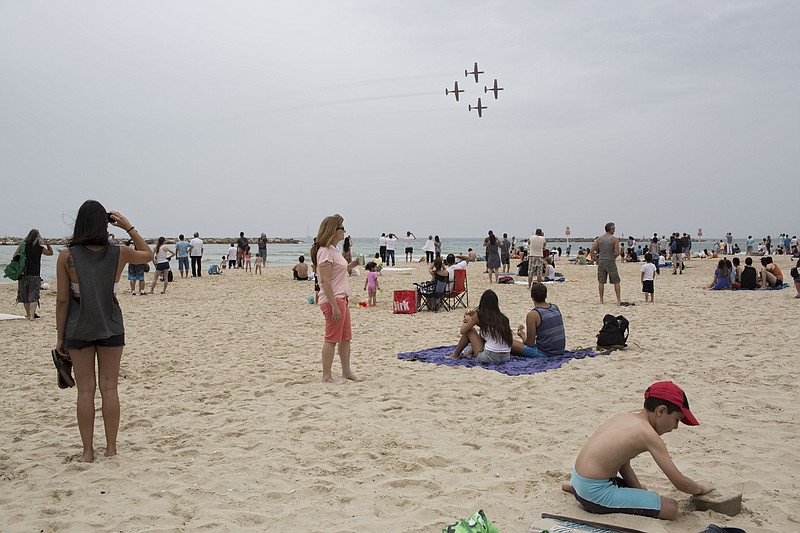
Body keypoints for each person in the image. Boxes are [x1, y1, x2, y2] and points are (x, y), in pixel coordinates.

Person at [55, 200, 152, 462]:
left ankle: (87, 452)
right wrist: (128, 226)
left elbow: (63, 301)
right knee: (110, 388)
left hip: (78, 329)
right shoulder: (118, 253)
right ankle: (111, 448)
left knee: (85, 390)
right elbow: (148, 255)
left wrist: (60, 337)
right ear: (105, 223)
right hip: (111, 325)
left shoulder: (68, 257)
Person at [561, 381, 712, 520]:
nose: (675, 427)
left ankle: (575, 489)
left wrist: (639, 491)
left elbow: (622, 464)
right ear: (661, 410)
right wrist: (701, 488)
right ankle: (584, 495)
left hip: (579, 480)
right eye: (677, 420)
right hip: (594, 494)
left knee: (642, 490)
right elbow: (680, 483)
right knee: (671, 508)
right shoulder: (648, 435)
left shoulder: (626, 417)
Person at [310, 214, 362, 384]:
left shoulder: (334, 250)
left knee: (346, 338)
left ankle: (346, 372)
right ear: (334, 230)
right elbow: (324, 281)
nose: (345, 231)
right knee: (332, 338)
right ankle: (327, 376)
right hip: (333, 300)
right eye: (342, 228)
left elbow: (336, 274)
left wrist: (351, 265)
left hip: (342, 298)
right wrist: (334, 305)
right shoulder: (324, 251)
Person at [447, 289, 513, 364]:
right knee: (485, 337)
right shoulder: (503, 318)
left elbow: (463, 331)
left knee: (470, 331)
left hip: (490, 357)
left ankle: (455, 354)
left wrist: (467, 320)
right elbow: (487, 328)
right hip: (506, 357)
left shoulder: (479, 315)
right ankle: (469, 352)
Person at [511, 282, 565, 357]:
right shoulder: (555, 307)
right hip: (559, 350)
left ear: (532, 297)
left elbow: (530, 344)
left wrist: (522, 335)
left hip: (546, 353)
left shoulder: (533, 315)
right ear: (545, 295)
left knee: (509, 343)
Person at [13, 229, 53, 320]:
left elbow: (14, 256)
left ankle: (28, 315)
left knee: (25, 295)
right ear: (38, 238)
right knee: (33, 295)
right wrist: (47, 244)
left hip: (23, 274)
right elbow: (51, 253)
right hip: (35, 275)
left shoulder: (23, 246)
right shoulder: (39, 248)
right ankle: (32, 316)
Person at [588, 223, 622, 304]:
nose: (614, 230)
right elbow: (617, 252)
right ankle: (618, 299)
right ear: (611, 229)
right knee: (616, 281)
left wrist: (596, 260)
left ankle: (601, 300)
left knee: (601, 282)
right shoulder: (615, 239)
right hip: (610, 262)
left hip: (601, 261)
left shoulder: (599, 239)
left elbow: (592, 250)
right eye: (614, 229)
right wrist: (614, 257)